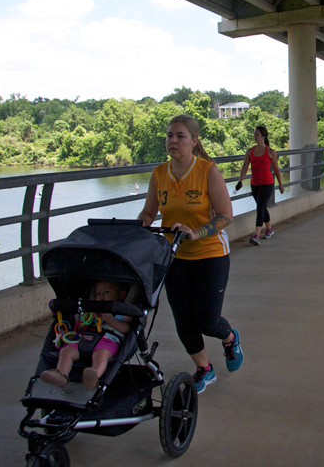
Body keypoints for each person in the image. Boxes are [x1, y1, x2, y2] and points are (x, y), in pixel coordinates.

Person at [138, 114, 242, 393]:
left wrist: (196, 232)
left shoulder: (208, 170)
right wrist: (138, 227)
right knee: (183, 320)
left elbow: (226, 215)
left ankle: (230, 338)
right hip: (174, 256)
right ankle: (204, 369)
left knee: (207, 321)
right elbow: (149, 212)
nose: (173, 141)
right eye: (169, 135)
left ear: (194, 141)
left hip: (210, 253)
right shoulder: (159, 173)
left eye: (180, 136)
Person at [40, 280, 133, 391]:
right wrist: (86, 321)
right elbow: (79, 327)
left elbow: (127, 328)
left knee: (102, 355)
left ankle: (93, 376)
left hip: (108, 341)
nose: (101, 296)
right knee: (66, 351)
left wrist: (111, 321)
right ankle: (61, 374)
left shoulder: (122, 312)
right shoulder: (91, 310)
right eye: (98, 293)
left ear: (121, 294)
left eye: (107, 292)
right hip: (84, 339)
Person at [235, 125, 285, 245]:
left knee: (260, 206)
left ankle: (256, 235)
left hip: (267, 183)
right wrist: (240, 181)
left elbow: (276, 169)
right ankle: (269, 229)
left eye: (256, 135)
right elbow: (245, 166)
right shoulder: (250, 151)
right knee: (261, 206)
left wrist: (280, 184)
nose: (254, 137)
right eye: (254, 134)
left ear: (263, 136)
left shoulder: (271, 152)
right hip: (254, 183)